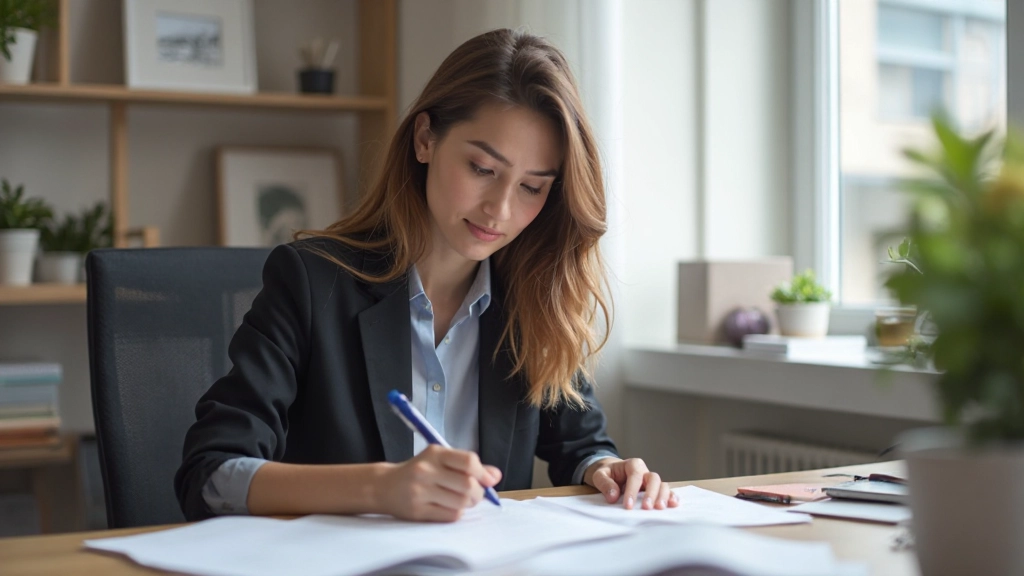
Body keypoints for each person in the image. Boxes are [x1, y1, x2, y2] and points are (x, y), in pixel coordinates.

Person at [175, 28, 679, 522]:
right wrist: (380, 487)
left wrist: (609, 469)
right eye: (482, 168)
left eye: (531, 187)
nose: (499, 209)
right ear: (425, 139)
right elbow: (211, 474)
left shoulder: (532, 298)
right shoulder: (310, 281)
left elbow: (581, 444)